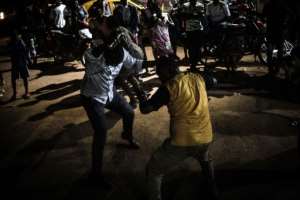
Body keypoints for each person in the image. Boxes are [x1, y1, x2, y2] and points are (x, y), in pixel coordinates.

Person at [138, 57, 218, 200]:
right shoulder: (198, 78)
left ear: (169, 70)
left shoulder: (169, 87)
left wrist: (141, 95)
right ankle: (212, 190)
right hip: (206, 137)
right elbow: (214, 81)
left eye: (160, 73)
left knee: (154, 170)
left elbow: (145, 109)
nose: (159, 76)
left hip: (182, 142)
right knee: (205, 159)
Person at [80, 35, 142, 186]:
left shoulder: (121, 53)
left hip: (110, 93)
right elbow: (86, 56)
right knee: (101, 132)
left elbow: (136, 64)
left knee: (129, 112)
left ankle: (127, 136)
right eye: (112, 61)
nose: (116, 63)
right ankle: (95, 175)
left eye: (118, 61)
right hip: (92, 98)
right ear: (105, 53)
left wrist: (136, 58)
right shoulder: (91, 57)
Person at [263, 0, 288, 76]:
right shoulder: (282, 5)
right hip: (279, 31)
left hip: (271, 31)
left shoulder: (269, 5)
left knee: (270, 50)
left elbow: (263, 16)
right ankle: (276, 68)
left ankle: (271, 69)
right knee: (279, 50)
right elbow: (289, 15)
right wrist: (285, 24)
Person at [182, 0, 205, 70]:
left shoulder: (200, 5)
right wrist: (195, 15)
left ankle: (196, 62)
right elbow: (184, 17)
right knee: (191, 48)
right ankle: (192, 64)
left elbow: (201, 16)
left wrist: (190, 15)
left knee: (198, 48)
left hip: (198, 29)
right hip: (189, 30)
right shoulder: (185, 5)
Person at [9, 32, 31, 101]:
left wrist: (28, 59)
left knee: (24, 77)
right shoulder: (12, 43)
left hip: (21, 62)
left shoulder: (20, 41)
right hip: (16, 63)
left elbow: (25, 51)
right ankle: (15, 93)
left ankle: (26, 92)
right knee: (14, 79)